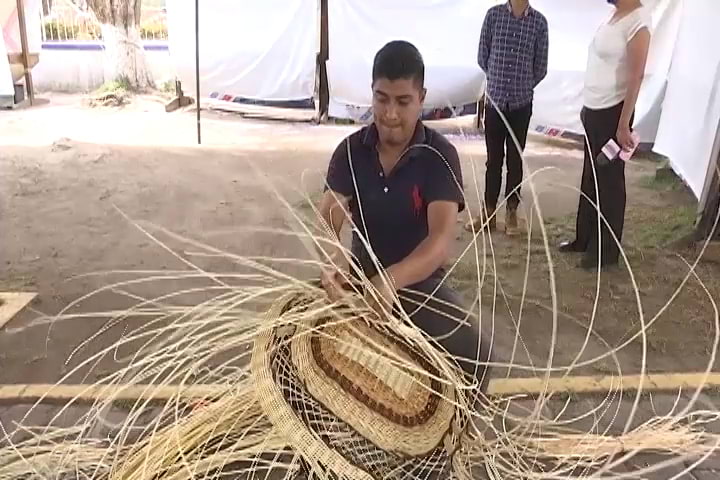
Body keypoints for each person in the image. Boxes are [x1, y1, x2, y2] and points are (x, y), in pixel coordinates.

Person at [318, 40, 492, 394]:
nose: (390, 114)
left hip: (417, 285)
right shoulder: (351, 151)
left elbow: (439, 243)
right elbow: (328, 219)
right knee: (288, 337)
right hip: (360, 281)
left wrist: (391, 281)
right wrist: (330, 259)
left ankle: (451, 442)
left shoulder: (438, 157)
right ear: (372, 93)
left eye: (402, 101)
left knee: (477, 359)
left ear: (421, 97)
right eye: (381, 99)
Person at [559, 0, 651, 269]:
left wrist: (623, 124)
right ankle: (584, 238)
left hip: (613, 114)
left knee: (608, 182)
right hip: (594, 110)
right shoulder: (613, 17)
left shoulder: (639, 22)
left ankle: (605, 252)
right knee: (590, 177)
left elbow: (636, 76)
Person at [468, 0, 549, 236]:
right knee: (493, 161)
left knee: (515, 160)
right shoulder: (493, 16)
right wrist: (498, 80)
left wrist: (522, 85)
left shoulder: (539, 23)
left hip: (521, 103)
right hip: (495, 102)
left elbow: (540, 66)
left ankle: (512, 213)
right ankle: (488, 213)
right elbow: (483, 56)